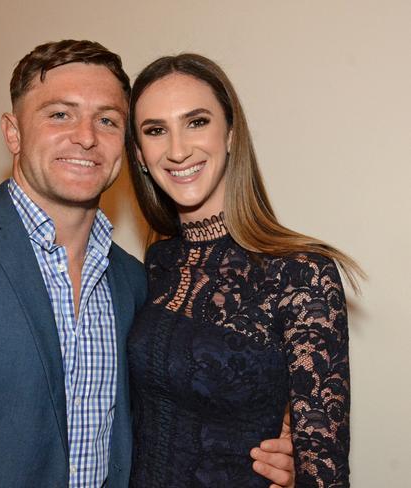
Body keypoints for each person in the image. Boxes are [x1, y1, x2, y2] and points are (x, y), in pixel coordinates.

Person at [0, 41, 294, 487]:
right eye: (60, 114)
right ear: (13, 132)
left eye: (107, 120)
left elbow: (171, 413)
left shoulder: (135, 278)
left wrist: (271, 442)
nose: (85, 137)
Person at [126, 53, 361, 487]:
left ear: (231, 134)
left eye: (197, 122)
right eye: (156, 131)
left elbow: (325, 473)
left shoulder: (300, 274)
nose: (178, 150)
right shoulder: (155, 266)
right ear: (140, 154)